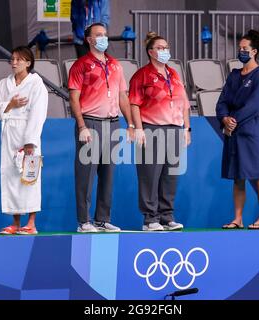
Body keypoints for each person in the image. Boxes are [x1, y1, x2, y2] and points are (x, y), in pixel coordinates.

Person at [68, 23, 134, 233]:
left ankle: (102, 219)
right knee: (85, 176)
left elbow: (123, 96)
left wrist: (131, 123)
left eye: (105, 34)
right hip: (90, 122)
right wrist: (81, 125)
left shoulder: (115, 65)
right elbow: (74, 97)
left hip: (113, 124)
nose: (103, 38)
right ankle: (84, 221)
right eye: (99, 35)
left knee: (108, 174)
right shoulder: (81, 65)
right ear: (89, 39)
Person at [129, 32, 191, 231]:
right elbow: (134, 104)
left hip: (174, 129)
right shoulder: (142, 75)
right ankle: (150, 219)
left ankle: (166, 216)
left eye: (167, 47)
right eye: (160, 48)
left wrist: (187, 128)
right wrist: (138, 128)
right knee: (150, 176)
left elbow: (184, 104)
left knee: (170, 175)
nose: (165, 51)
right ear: (150, 52)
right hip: (151, 128)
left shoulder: (174, 74)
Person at [0, 46, 48, 235]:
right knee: (11, 177)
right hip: (9, 134)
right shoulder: (4, 84)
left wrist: (30, 142)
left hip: (27, 135)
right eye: (12, 59)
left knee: (29, 178)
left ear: (28, 63)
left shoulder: (36, 84)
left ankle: (31, 222)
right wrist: (9, 105)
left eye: (18, 60)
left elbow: (38, 114)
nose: (14, 63)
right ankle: (15, 222)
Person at [216, 30, 259, 230]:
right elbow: (222, 101)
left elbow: (255, 104)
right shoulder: (233, 75)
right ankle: (237, 219)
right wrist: (225, 119)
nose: (241, 51)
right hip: (233, 132)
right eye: (239, 48)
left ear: (254, 51)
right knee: (238, 177)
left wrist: (235, 119)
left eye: (245, 49)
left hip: (250, 131)